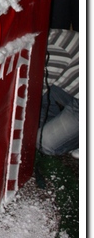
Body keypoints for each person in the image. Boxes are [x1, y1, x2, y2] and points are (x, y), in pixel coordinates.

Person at [36, 28, 79, 157]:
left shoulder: (51, 51)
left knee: (43, 142)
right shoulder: (42, 37)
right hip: (77, 88)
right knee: (41, 88)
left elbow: (31, 97)